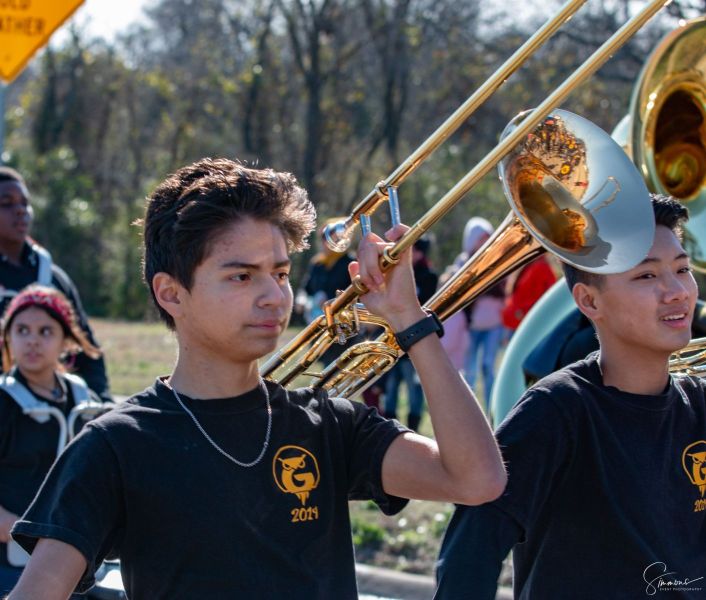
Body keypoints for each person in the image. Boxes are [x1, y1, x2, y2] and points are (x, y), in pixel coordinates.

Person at [8, 157, 505, 600]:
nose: (274, 296)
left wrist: (410, 320)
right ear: (171, 294)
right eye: (242, 276)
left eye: (281, 274)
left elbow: (477, 480)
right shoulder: (114, 446)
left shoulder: (328, 423)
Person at [435, 194, 706, 599]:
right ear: (589, 301)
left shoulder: (699, 402)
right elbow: (469, 552)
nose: (678, 292)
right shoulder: (556, 410)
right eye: (646, 276)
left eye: (682, 269)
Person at [0, 286, 104, 595]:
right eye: (22, 330)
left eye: (45, 331)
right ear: (8, 338)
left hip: (74, 560)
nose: (32, 340)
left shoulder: (83, 398)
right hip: (10, 563)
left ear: (66, 341)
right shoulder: (4, 401)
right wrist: (26, 534)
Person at [0, 167, 111, 401]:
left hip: (54, 409)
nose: (20, 211)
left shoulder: (51, 276)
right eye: (6, 203)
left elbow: (87, 348)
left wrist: (100, 401)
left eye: (24, 203)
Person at [382, 236, 439, 431]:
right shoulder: (396, 274)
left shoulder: (428, 275)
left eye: (413, 251)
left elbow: (425, 305)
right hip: (394, 340)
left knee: (414, 389)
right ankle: (391, 426)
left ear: (420, 252)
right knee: (391, 388)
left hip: (414, 341)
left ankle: (413, 426)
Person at [459, 218, 505, 410]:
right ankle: (471, 411)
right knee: (469, 372)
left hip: (494, 325)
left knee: (488, 368)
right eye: (480, 238)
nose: (484, 242)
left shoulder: (499, 260)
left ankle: (490, 409)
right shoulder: (462, 262)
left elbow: (503, 290)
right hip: (471, 326)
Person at [500, 254, 557, 335]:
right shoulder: (540, 267)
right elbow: (552, 295)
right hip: (528, 320)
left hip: (519, 319)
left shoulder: (527, 266)